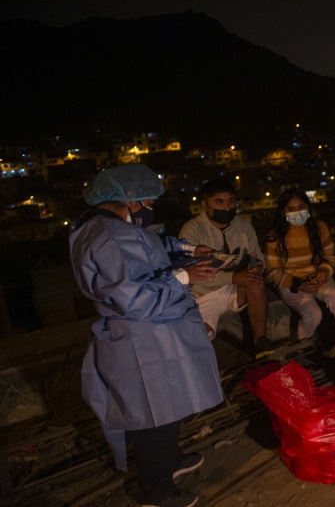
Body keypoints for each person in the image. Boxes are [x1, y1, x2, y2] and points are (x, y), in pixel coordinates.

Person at [69, 164, 224, 507]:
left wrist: (185, 250)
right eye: (149, 200)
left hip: (156, 332)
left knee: (170, 406)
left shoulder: (112, 227)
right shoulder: (108, 237)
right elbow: (132, 298)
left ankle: (169, 461)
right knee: (154, 416)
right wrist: (184, 277)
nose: (150, 207)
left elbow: (148, 245)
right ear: (130, 200)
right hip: (142, 337)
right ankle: (156, 494)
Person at [263, 188, 335, 369]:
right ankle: (302, 353)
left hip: (318, 278)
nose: (297, 212)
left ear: (308, 208)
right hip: (292, 283)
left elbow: (330, 257)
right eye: (291, 209)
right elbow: (273, 271)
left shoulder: (319, 228)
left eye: (301, 207)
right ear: (283, 212)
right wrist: (298, 284)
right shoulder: (275, 236)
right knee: (313, 313)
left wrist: (323, 274)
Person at [179, 178, 277, 358]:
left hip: (233, 289)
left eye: (231, 201)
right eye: (219, 202)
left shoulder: (243, 226)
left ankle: (261, 341)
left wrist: (258, 266)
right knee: (196, 341)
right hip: (201, 295)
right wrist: (234, 278)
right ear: (204, 205)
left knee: (256, 282)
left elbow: (256, 254)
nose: (226, 208)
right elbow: (195, 272)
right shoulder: (192, 229)